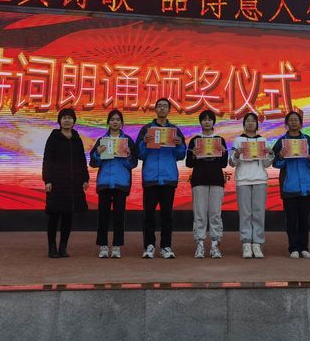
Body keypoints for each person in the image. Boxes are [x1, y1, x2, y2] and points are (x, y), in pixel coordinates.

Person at [137, 98, 186, 259]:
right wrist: (144, 143)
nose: (162, 108)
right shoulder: (146, 129)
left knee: (167, 215)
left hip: (168, 178)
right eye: (159, 106)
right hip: (151, 178)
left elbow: (181, 155)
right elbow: (140, 154)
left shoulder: (175, 130)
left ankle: (166, 246)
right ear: (155, 109)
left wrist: (179, 144)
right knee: (148, 214)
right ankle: (149, 246)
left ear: (169, 110)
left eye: (165, 106)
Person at [89, 109, 137, 259]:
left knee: (119, 216)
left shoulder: (128, 141)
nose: (115, 122)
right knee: (103, 216)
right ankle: (103, 246)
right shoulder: (102, 140)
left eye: (117, 119)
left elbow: (133, 164)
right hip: (104, 183)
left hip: (121, 183)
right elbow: (93, 163)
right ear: (108, 122)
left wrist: (128, 155)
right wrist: (98, 153)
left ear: (122, 123)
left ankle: (116, 246)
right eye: (112, 119)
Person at [42, 107, 89, 259]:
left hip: (73, 183)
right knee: (54, 216)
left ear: (74, 121)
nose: (67, 120)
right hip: (56, 183)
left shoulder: (77, 138)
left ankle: (63, 247)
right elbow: (47, 160)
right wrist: (47, 180)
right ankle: (52, 248)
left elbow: (82, 160)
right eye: (64, 118)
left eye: (69, 118)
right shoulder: (53, 138)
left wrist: (85, 178)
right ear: (59, 121)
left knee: (68, 216)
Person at [272, 111, 310, 259]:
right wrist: (281, 156)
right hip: (289, 187)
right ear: (286, 123)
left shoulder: (309, 140)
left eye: (296, 120)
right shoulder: (281, 141)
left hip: (306, 187)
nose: (293, 122)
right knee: (291, 220)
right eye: (291, 120)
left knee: (304, 220)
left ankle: (304, 248)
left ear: (301, 123)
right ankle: (293, 248)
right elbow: (275, 163)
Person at [230, 112, 273, 258]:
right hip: (243, 180)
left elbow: (266, 164)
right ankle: (246, 243)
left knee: (258, 212)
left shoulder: (262, 140)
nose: (250, 123)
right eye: (247, 121)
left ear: (257, 124)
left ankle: (257, 243)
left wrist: (270, 154)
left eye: (253, 121)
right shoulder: (238, 140)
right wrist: (237, 154)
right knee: (245, 213)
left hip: (260, 179)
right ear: (244, 124)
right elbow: (232, 163)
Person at [186, 110, 229, 259]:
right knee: (200, 214)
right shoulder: (195, 140)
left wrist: (224, 153)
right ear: (200, 122)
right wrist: (193, 154)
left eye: (209, 119)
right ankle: (200, 244)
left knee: (215, 214)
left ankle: (215, 245)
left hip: (217, 181)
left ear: (213, 122)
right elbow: (189, 164)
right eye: (204, 119)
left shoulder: (220, 140)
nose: (207, 122)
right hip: (199, 180)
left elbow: (223, 164)